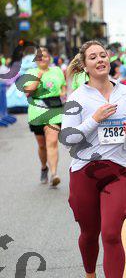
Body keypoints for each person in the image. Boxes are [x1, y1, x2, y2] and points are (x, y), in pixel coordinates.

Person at [60, 40, 126, 278]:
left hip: (118, 170)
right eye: (93, 57)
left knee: (110, 232)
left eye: (103, 55)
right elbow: (68, 137)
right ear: (85, 66)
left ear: (109, 60)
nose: (100, 60)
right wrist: (94, 119)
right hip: (85, 170)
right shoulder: (77, 97)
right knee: (89, 233)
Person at [23, 47, 66, 187]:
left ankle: (54, 174)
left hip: (55, 110)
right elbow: (28, 91)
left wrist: (63, 94)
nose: (43, 59)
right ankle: (44, 167)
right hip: (37, 112)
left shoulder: (57, 70)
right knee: (42, 146)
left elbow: (63, 86)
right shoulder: (30, 72)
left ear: (49, 58)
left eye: (45, 56)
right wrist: (38, 77)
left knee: (52, 142)